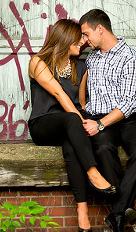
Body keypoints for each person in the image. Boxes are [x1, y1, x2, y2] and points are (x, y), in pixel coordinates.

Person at [27, 18, 117, 232]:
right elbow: (59, 93)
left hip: (71, 125)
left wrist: (89, 122)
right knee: (72, 120)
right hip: (43, 124)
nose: (83, 43)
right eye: (78, 39)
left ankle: (82, 212)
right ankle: (93, 173)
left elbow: (82, 103)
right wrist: (79, 119)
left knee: (71, 144)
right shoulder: (38, 62)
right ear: (66, 40)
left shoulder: (81, 67)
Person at [79, 9, 136, 232]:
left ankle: (117, 212)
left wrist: (101, 124)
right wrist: (86, 115)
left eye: (86, 33)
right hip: (98, 118)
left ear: (100, 29)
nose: (85, 39)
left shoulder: (129, 58)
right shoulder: (90, 58)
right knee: (101, 149)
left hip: (129, 119)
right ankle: (123, 210)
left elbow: (129, 102)